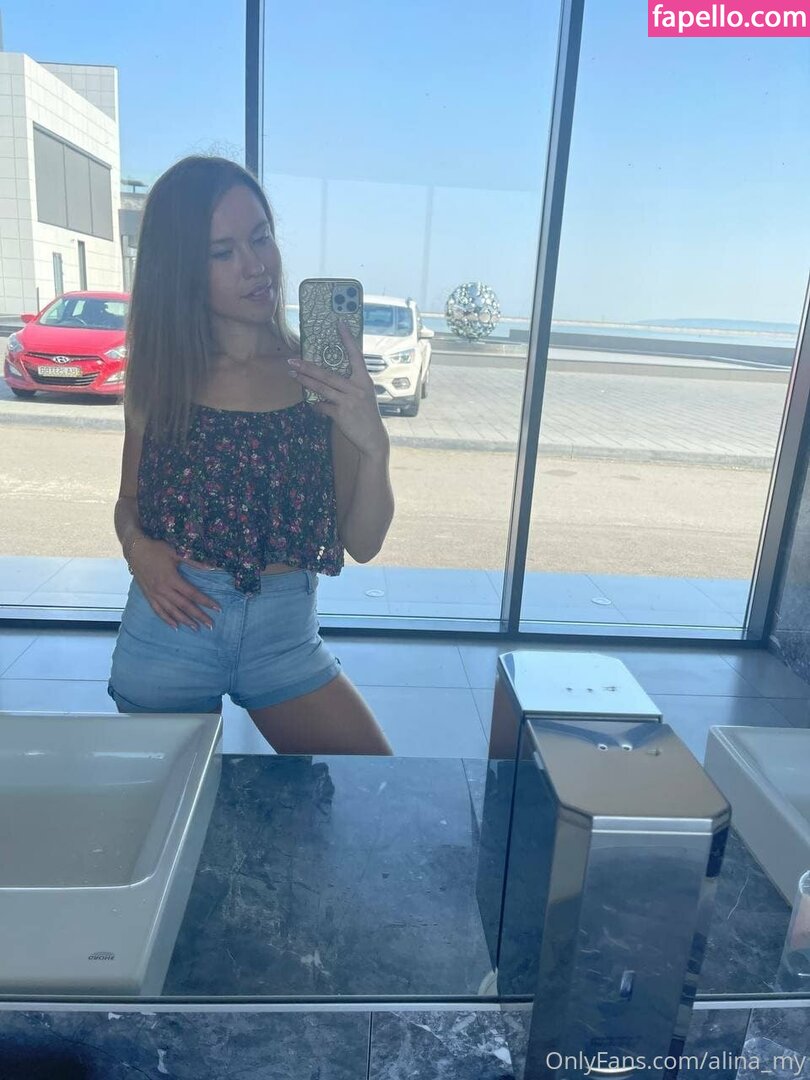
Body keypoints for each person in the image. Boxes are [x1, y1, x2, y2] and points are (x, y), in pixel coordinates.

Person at [108, 155, 395, 756]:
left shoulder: (318, 379)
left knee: (373, 785)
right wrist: (139, 552)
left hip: (283, 637)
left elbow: (364, 542)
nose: (256, 265)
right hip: (171, 625)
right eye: (223, 252)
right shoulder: (159, 374)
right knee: (174, 811)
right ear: (182, 268)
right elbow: (128, 500)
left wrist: (374, 445)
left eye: (261, 237)